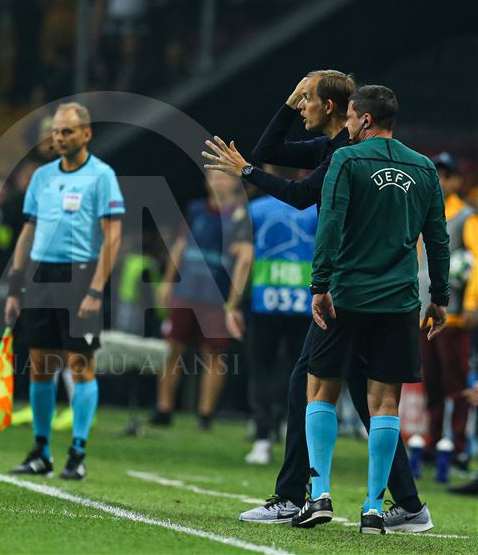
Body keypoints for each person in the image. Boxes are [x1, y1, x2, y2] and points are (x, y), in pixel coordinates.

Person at [204, 72, 431, 533]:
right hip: (367, 292)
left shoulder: (345, 157)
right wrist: (288, 100)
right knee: (368, 401)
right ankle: (408, 503)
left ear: (332, 108)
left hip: (352, 290)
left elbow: (302, 195)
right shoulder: (329, 150)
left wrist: (246, 173)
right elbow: (267, 151)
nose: (301, 109)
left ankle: (294, 495)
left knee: (309, 385)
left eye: (306, 101)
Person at [290, 85, 449, 534]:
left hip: (346, 296)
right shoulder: (424, 168)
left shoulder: (348, 160)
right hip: (398, 301)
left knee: (320, 389)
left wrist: (319, 284)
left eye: (352, 119)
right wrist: (439, 297)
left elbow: (331, 223)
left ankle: (318, 494)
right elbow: (437, 237)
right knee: (384, 403)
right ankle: (374, 507)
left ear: (362, 119)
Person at [5, 102, 124, 480]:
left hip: (81, 275)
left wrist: (95, 290)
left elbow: (112, 236)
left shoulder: (102, 175)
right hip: (42, 275)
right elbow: (28, 231)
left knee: (79, 365)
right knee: (40, 365)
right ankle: (41, 451)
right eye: (57, 131)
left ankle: (77, 452)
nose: (60, 137)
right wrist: (15, 285)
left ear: (86, 134)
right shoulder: (41, 176)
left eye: (68, 131)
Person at [150, 171, 253, 430]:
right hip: (186, 292)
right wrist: (167, 281)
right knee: (173, 349)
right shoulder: (195, 209)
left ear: (233, 183)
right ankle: (164, 409)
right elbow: (180, 246)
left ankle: (205, 415)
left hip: (217, 296)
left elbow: (245, 260)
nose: (216, 182)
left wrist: (233, 300)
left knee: (214, 354)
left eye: (222, 178)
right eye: (212, 177)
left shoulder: (241, 215)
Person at [245, 169, 317, 464]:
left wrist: (234, 303)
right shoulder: (316, 210)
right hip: (305, 303)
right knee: (299, 372)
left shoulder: (255, 209)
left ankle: (263, 435)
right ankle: (291, 427)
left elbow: (244, 259)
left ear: (270, 172)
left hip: (265, 301)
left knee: (261, 368)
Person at [419, 153, 477, 471]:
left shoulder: (466, 216)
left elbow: (477, 262)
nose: (440, 181)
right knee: (432, 384)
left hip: (453, 316)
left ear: (455, 181)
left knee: (455, 384)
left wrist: (471, 304)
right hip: (424, 314)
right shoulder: (422, 212)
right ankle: (432, 442)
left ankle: (458, 447)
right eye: (436, 174)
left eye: (445, 175)